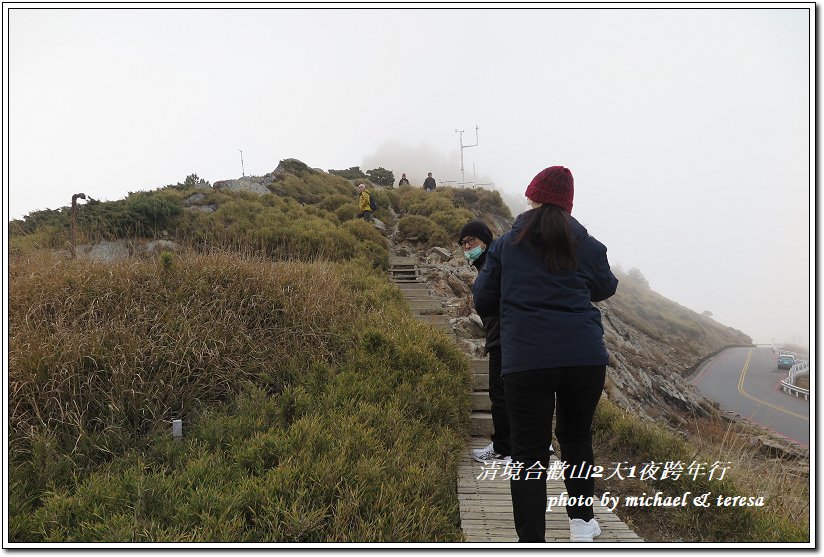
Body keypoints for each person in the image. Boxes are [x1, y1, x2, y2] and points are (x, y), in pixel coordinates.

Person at [473, 166, 618, 543]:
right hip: (585, 359)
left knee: (528, 454)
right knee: (575, 438)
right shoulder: (585, 242)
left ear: (534, 199)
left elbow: (483, 299)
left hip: (527, 361)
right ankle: (582, 523)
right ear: (567, 204)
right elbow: (605, 287)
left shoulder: (507, 244)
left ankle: (532, 542)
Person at [462, 220, 556, 465]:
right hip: (514, 336)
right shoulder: (493, 262)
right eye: (463, 243)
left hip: (505, 337)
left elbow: (494, 300)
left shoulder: (493, 264)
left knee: (501, 393)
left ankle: (504, 448)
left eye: (472, 240)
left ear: (486, 240)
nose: (468, 247)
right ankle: (537, 441)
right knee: (519, 393)